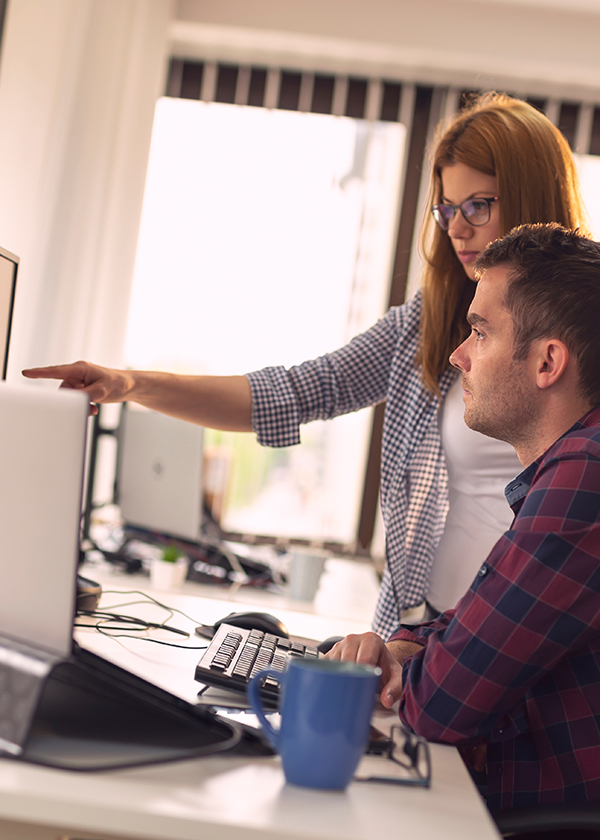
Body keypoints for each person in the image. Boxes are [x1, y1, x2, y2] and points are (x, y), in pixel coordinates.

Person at [22, 93, 587, 638]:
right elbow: (295, 392)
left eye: (478, 206)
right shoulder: (429, 320)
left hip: (523, 635)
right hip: (429, 621)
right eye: (446, 209)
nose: (458, 228)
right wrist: (130, 384)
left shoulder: (584, 330)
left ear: (530, 199)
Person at [327, 223, 600, 811]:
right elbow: (469, 627)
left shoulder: (587, 475)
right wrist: (403, 649)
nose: (457, 356)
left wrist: (412, 667)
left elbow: (443, 704)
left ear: (548, 361)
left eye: (480, 332)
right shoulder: (567, 469)